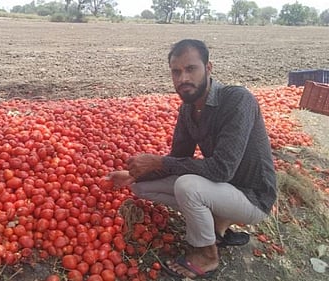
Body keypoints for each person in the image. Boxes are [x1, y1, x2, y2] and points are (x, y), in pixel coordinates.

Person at [108, 39, 276, 279]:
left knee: (187, 185)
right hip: (224, 191)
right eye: (176, 72)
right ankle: (218, 223)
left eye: (190, 69)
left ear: (208, 68)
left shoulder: (238, 100)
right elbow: (178, 158)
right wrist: (135, 173)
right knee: (140, 187)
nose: (182, 78)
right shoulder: (188, 110)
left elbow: (221, 170)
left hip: (253, 196)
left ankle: (207, 254)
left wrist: (157, 162)